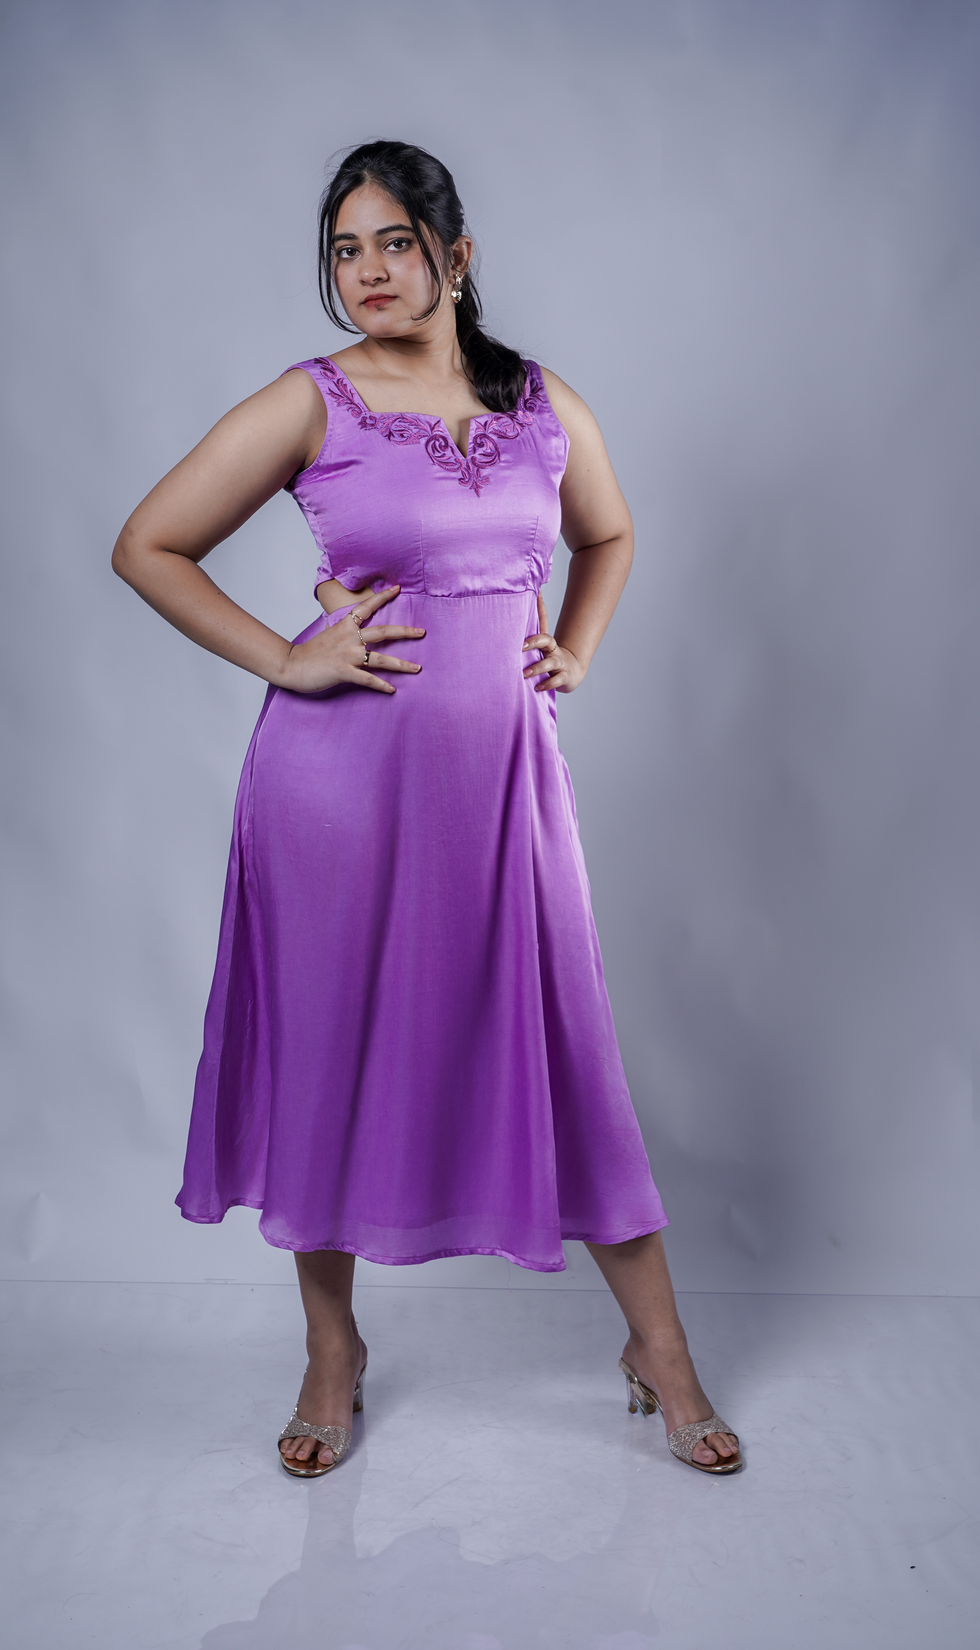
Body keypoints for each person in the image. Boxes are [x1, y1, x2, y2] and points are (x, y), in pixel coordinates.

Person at [112, 140, 740, 1479]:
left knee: (565, 1042)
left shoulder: (542, 400)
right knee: (331, 1046)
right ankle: (331, 1351)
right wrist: (288, 659)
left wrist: (576, 647)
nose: (368, 272)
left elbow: (608, 533)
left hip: (505, 784)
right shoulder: (312, 400)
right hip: (335, 789)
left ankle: (662, 1350)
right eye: (345, 250)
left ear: (456, 254)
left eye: (393, 242)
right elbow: (147, 543)